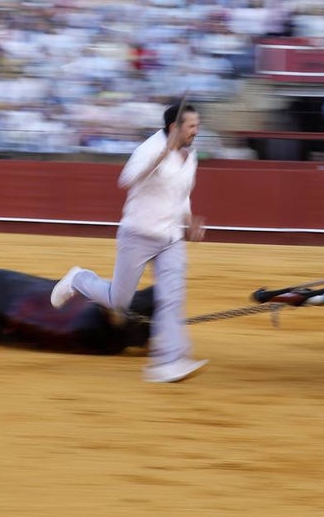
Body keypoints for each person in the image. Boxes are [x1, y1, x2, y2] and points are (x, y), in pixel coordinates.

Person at [51, 103, 208, 383]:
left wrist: (188, 219)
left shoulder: (190, 154)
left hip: (171, 238)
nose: (197, 131)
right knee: (118, 301)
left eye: (197, 125)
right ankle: (78, 279)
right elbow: (126, 180)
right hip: (139, 234)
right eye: (192, 126)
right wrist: (158, 158)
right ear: (174, 128)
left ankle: (169, 361)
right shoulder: (149, 149)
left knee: (172, 298)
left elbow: (182, 192)